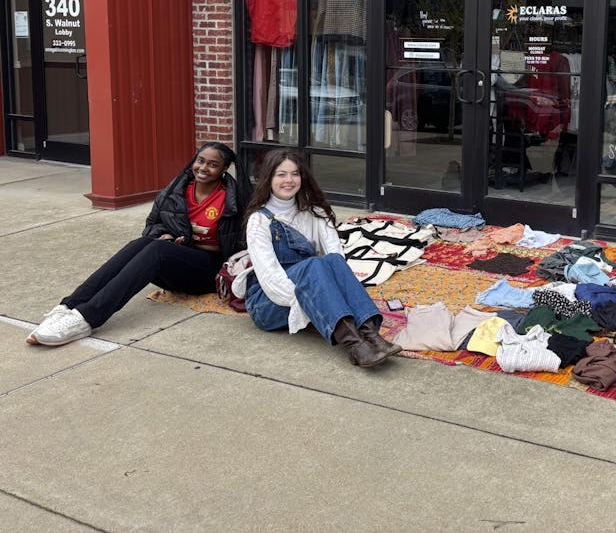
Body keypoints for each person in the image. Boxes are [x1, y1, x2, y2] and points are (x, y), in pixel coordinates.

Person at [28, 142, 250, 346]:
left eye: (213, 165)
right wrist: (166, 236)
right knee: (143, 243)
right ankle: (69, 306)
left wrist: (188, 244)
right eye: (200, 161)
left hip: (211, 272)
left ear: (224, 169)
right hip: (177, 264)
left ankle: (87, 318)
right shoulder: (176, 190)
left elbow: (239, 248)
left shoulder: (233, 199)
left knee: (158, 250)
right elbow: (153, 225)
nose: (203, 168)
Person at [240, 148, 401, 367]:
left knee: (333, 260)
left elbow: (337, 258)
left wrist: (325, 295)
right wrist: (314, 299)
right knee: (315, 264)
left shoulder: (315, 212)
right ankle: (355, 346)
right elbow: (271, 281)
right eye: (281, 174)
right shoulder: (259, 221)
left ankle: (372, 335)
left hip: (309, 287)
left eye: (295, 174)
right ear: (268, 179)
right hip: (268, 302)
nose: (289, 180)